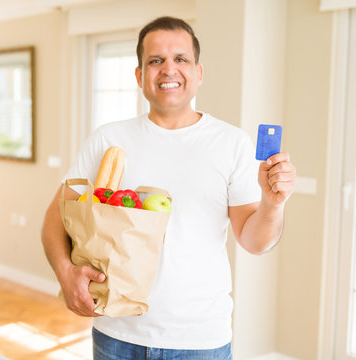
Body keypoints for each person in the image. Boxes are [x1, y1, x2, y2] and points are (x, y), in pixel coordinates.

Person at [41, 16, 296, 360]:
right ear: (139, 75)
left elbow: (253, 241)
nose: (168, 69)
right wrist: (66, 272)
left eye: (181, 59)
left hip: (200, 340)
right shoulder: (107, 140)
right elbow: (54, 221)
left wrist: (273, 204)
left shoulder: (231, 143)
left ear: (199, 73)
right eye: (155, 60)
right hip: (116, 331)